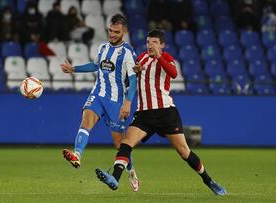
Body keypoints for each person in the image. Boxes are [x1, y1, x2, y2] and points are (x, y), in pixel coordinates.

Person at [95, 30, 227, 196]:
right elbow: (131, 81)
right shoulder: (141, 58)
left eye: (154, 42)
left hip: (166, 113)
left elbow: (173, 73)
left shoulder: (167, 59)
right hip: (144, 113)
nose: (150, 45)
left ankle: (209, 181)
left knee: (184, 152)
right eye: (148, 42)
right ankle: (114, 178)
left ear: (162, 45)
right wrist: (134, 72)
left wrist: (159, 57)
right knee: (126, 142)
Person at [60, 14, 140, 192]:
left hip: (116, 102)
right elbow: (95, 65)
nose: (112, 34)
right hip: (97, 95)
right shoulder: (103, 47)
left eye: (116, 32)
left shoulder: (127, 53)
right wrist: (74, 69)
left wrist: (127, 103)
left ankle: (132, 172)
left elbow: (133, 81)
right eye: (110, 30)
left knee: (120, 145)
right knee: (86, 120)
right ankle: (77, 154)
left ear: (124, 32)